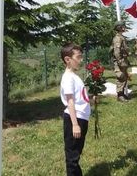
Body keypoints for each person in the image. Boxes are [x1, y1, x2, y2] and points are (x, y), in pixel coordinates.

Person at [60, 43, 90, 176]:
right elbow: (70, 101)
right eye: (78, 57)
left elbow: (79, 97)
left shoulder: (74, 76)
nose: (81, 60)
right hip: (75, 119)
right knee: (72, 156)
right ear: (68, 59)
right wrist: (75, 124)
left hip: (81, 117)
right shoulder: (68, 78)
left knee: (76, 153)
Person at [112, 21, 130, 102]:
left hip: (123, 60)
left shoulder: (121, 37)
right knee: (120, 77)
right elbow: (117, 51)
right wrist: (120, 61)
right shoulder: (118, 38)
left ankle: (122, 93)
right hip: (120, 61)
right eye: (123, 26)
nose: (124, 27)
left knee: (124, 77)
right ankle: (120, 95)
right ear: (119, 27)